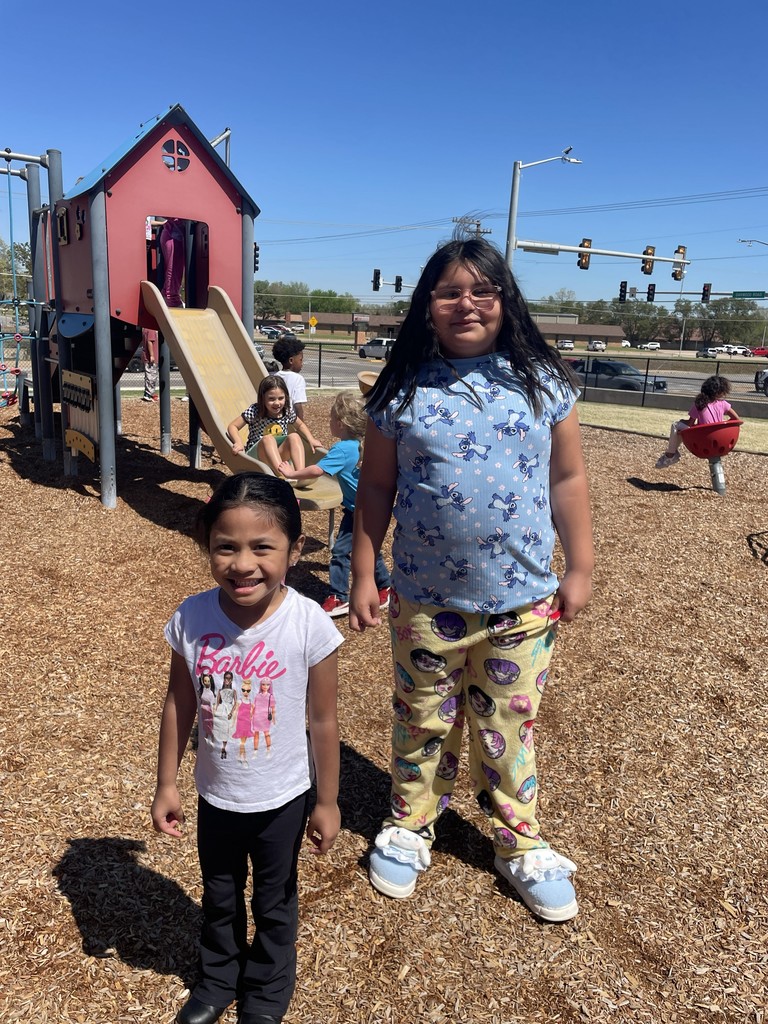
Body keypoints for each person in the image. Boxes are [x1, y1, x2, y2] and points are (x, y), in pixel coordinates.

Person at [349, 236, 594, 923]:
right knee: (424, 716)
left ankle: (518, 841)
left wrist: (580, 565)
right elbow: (374, 487)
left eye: (482, 291)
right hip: (425, 601)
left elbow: (568, 480)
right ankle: (410, 822)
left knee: (509, 724)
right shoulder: (400, 391)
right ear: (428, 305)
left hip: (522, 601)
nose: (467, 304)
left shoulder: (544, 384)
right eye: (450, 291)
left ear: (504, 302)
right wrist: (365, 572)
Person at [151, 473, 342, 1024]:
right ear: (207, 547)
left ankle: (268, 987)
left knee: (275, 901)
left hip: (282, 797)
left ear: (294, 549)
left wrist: (326, 801)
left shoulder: (308, 623)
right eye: (225, 547)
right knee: (219, 894)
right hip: (217, 794)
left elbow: (323, 720)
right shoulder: (192, 618)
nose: (243, 564)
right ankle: (218, 979)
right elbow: (177, 704)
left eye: (263, 546)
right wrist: (167, 783)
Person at [278, 392, 391, 618]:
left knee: (341, 552)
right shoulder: (356, 445)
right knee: (369, 548)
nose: (329, 423)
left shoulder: (343, 449)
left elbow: (317, 470)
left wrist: (292, 473)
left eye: (331, 419)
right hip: (364, 507)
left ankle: (339, 596)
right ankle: (385, 587)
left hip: (361, 509)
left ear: (340, 423)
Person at [227, 375, 321, 478]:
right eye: (271, 399)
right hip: (257, 457)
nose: (277, 403)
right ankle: (283, 477)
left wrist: (311, 439)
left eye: (281, 398)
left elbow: (300, 425)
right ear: (263, 399)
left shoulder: (287, 411)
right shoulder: (255, 411)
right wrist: (238, 442)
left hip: (278, 457)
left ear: (286, 397)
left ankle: (300, 474)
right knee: (268, 439)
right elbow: (233, 426)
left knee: (294, 436)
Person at [655, 374, 739, 468]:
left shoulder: (699, 404)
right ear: (719, 392)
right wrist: (721, 422)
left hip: (703, 438)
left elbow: (690, 423)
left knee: (676, 425)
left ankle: (670, 454)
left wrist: (682, 421)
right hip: (720, 440)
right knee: (681, 430)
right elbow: (736, 419)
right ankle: (671, 454)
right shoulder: (723, 404)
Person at [272, 336, 308, 421]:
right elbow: (297, 405)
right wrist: (301, 427)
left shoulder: (274, 376)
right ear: (291, 360)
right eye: (300, 360)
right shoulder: (298, 379)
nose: (302, 363)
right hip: (290, 422)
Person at [159, 217, 186, 307]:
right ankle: (172, 300)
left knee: (172, 270)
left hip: (171, 234)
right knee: (174, 270)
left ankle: (168, 297)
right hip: (174, 236)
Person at [141, 328, 159, 402]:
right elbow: (149, 341)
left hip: (147, 357)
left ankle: (150, 393)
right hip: (150, 358)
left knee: (150, 375)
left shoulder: (145, 329)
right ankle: (148, 394)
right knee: (151, 376)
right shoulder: (151, 329)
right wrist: (152, 355)